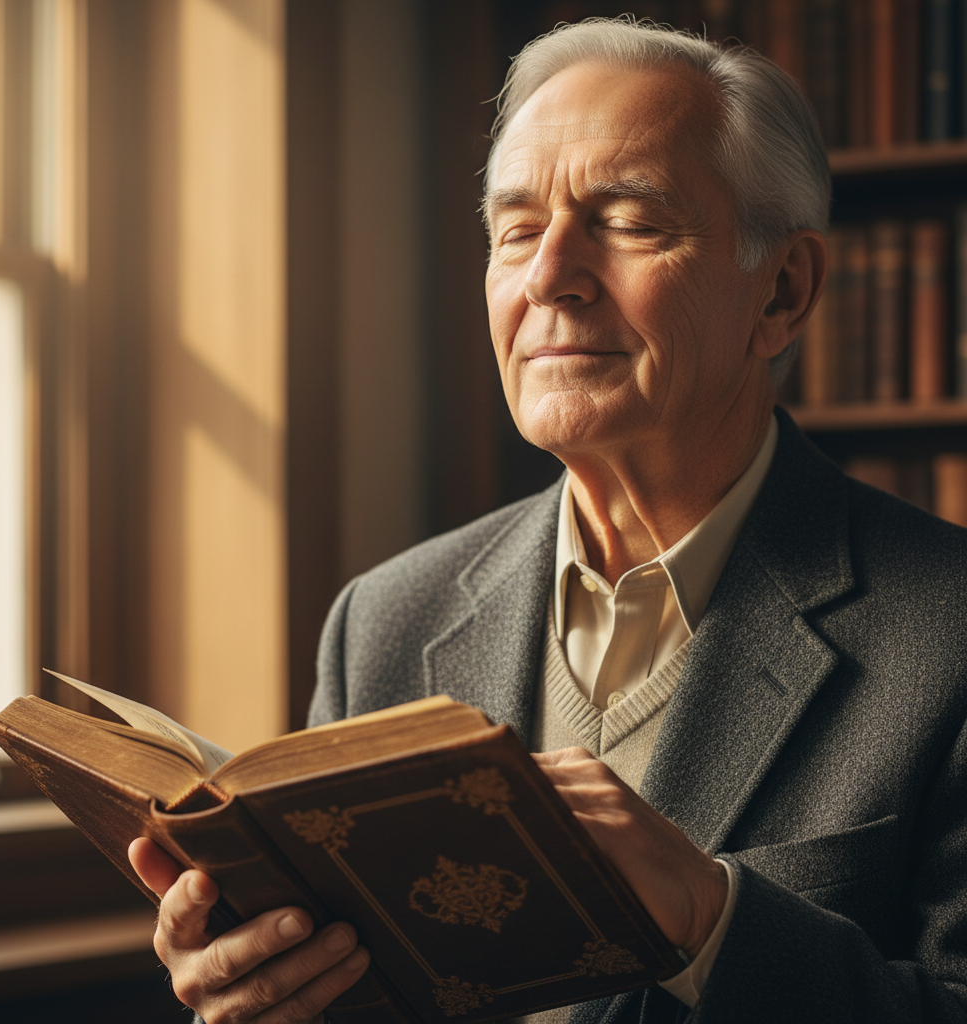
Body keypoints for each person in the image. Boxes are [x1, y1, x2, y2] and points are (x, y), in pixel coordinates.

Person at [129, 17, 967, 1023]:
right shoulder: (384, 620)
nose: (549, 276)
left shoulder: (946, 631)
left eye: (624, 220)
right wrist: (265, 984)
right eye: (517, 229)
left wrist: (713, 921)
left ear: (781, 292)